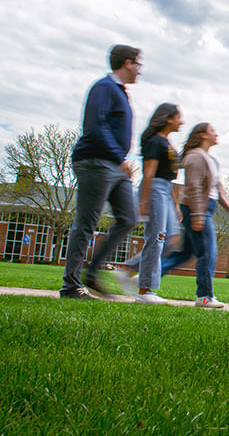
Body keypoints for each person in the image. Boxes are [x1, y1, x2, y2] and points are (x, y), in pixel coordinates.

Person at [60, 45, 142, 299]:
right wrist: (118, 158)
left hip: (116, 164)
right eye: (138, 64)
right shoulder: (103, 88)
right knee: (87, 221)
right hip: (96, 161)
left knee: (128, 217)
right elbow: (95, 125)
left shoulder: (120, 92)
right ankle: (71, 286)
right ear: (127, 63)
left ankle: (93, 274)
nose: (140, 70)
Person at [161, 122, 229, 308]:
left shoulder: (211, 160)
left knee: (186, 253)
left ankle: (148, 275)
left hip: (204, 209)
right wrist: (198, 215)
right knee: (208, 252)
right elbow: (194, 187)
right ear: (203, 135)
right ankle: (204, 296)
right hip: (196, 208)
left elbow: (219, 191)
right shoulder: (195, 157)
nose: (216, 134)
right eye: (213, 131)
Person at [115, 103, 183, 304]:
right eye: (179, 117)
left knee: (170, 239)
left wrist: (175, 204)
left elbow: (167, 177)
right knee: (157, 238)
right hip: (153, 190)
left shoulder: (167, 143)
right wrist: (144, 201)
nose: (182, 121)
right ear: (168, 118)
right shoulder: (155, 142)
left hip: (165, 191)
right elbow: (150, 173)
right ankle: (145, 291)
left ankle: (128, 269)